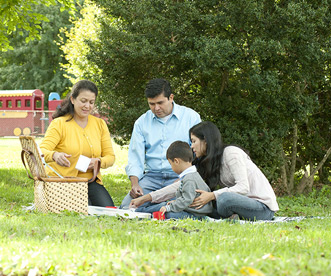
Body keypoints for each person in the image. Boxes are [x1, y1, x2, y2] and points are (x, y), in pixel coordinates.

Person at [131, 121, 279, 221]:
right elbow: (181, 185)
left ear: (205, 141)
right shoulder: (206, 162)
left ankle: (225, 217)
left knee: (224, 199)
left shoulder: (231, 153)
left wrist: (212, 195)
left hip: (260, 207)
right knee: (191, 201)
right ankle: (148, 211)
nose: (192, 147)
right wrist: (147, 198)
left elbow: (243, 187)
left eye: (194, 141)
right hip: (229, 207)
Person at [120, 78, 201, 209]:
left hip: (180, 176)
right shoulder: (141, 122)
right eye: (151, 104)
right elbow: (135, 158)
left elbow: (198, 154)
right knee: (126, 207)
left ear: (171, 97)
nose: (156, 108)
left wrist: (184, 178)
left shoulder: (191, 118)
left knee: (185, 204)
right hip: (151, 177)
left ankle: (156, 208)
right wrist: (135, 184)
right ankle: (159, 208)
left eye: (160, 103)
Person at [40, 80, 115, 207]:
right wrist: (55, 155)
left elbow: (110, 157)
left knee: (108, 211)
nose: (87, 106)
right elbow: (42, 150)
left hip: (90, 181)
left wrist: (98, 162)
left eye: (91, 102)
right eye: (83, 101)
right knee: (85, 211)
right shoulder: (59, 124)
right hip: (64, 181)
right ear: (73, 99)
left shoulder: (99, 124)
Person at [135, 141, 213, 219]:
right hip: (191, 210)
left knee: (169, 214)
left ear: (176, 161)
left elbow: (187, 200)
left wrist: (169, 207)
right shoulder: (192, 175)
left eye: (170, 164)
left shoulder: (189, 179)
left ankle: (142, 214)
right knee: (167, 206)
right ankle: (140, 211)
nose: (171, 167)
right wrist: (174, 203)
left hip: (195, 214)